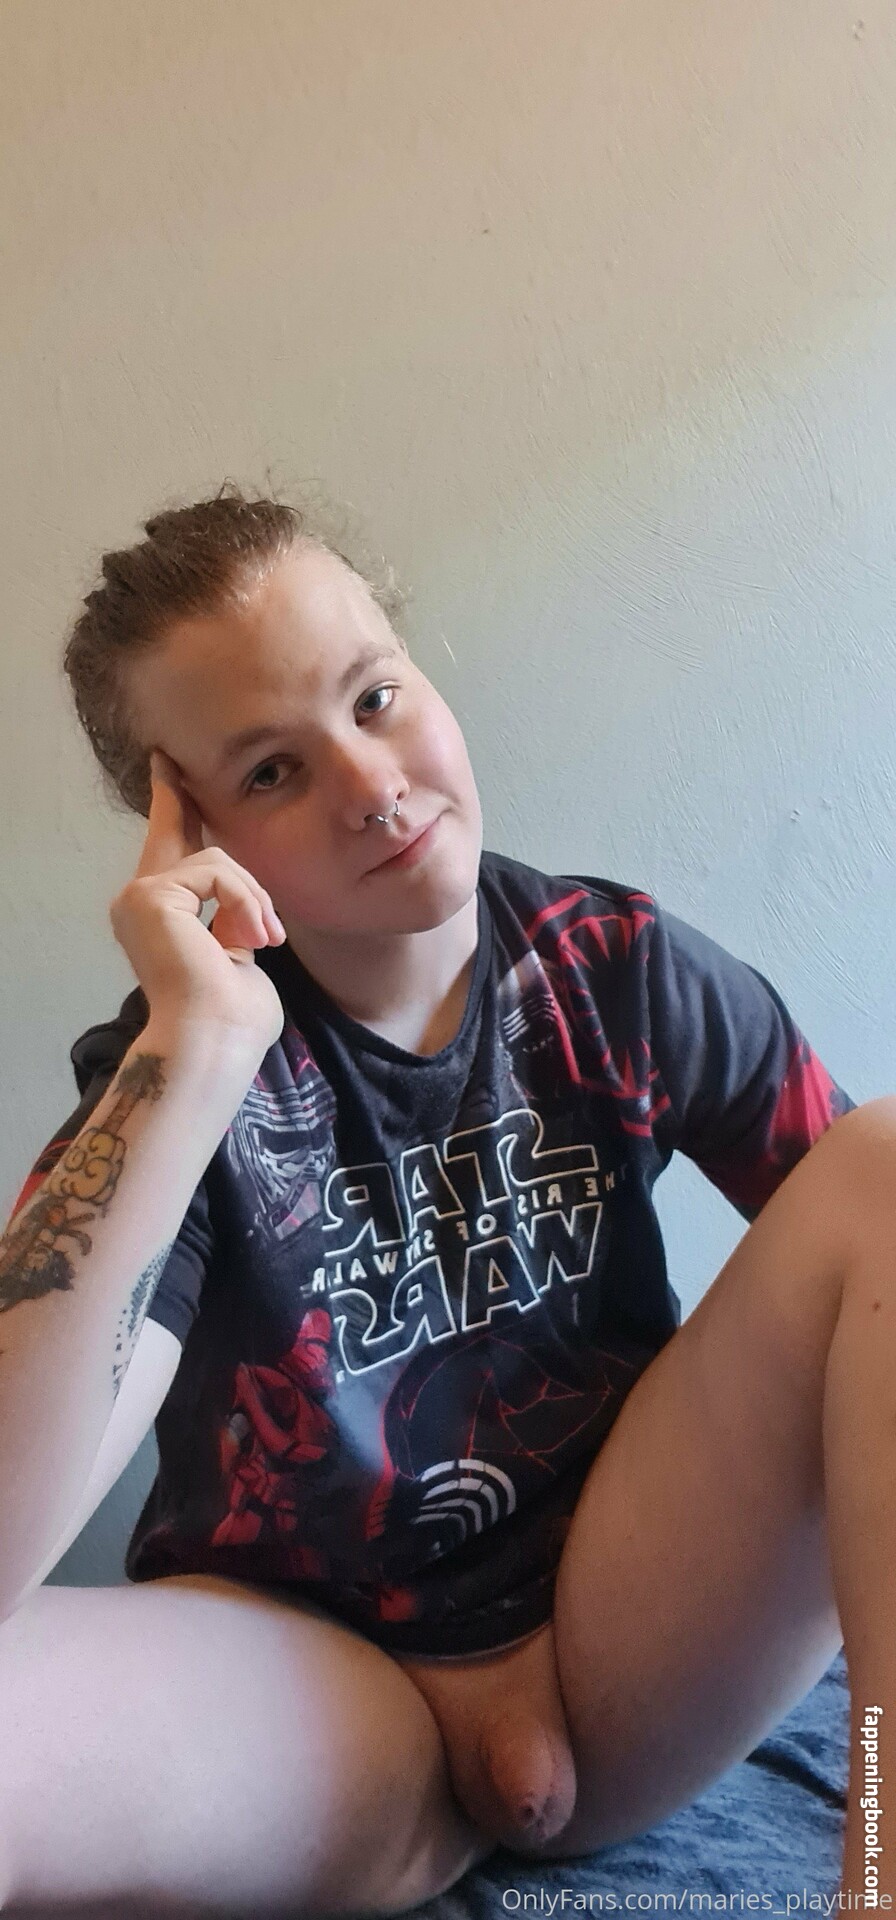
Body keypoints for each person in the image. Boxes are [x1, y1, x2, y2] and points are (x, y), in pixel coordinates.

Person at [0, 481, 891, 1916]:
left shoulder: (614, 969)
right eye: (272, 772)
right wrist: (196, 1046)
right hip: (321, 1713)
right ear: (190, 835)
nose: (370, 785)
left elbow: (871, 1284)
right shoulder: (171, 1085)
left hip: (633, 1638)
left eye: (374, 698)